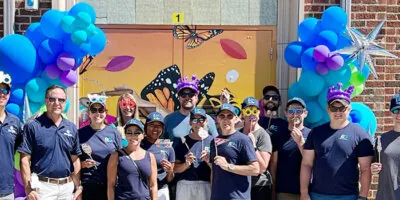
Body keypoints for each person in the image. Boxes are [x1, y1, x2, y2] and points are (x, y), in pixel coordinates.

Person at [300, 83, 373, 200]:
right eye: (334, 108)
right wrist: (304, 193)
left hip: (348, 196)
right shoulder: (315, 133)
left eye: (342, 108)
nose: (337, 112)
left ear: (349, 109)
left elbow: (365, 169)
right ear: (328, 109)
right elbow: (306, 164)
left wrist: (363, 196)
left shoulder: (360, 135)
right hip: (318, 195)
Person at [18, 85, 82, 200]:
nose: (57, 103)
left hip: (67, 188)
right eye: (52, 99)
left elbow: (75, 159)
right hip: (43, 188)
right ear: (45, 101)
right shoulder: (32, 126)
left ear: (65, 102)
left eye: (61, 100)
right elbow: (24, 159)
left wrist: (78, 186)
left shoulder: (71, 128)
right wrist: (28, 188)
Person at [210, 103, 260, 200]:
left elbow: (255, 170)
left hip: (237, 197)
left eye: (229, 116)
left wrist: (228, 166)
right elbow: (214, 171)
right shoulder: (214, 141)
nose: (226, 119)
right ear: (217, 119)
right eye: (222, 116)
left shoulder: (243, 140)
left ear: (236, 119)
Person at [78, 94, 122, 200]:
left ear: (106, 112)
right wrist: (82, 164)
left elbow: (121, 158)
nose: (97, 113)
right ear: (89, 113)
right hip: (89, 184)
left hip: (110, 184)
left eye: (101, 110)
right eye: (93, 110)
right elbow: (72, 160)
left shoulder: (114, 132)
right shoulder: (80, 134)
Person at [270, 97, 311, 200]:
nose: (295, 114)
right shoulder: (278, 135)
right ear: (286, 113)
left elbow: (314, 162)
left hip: (309, 192)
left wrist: (301, 142)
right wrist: (273, 191)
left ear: (305, 113)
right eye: (291, 111)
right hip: (284, 192)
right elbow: (273, 166)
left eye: (299, 111)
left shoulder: (312, 135)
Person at [107, 119, 158, 200]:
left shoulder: (150, 157)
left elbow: (153, 185)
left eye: (137, 132)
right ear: (125, 135)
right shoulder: (116, 156)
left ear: (143, 135)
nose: (133, 135)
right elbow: (111, 184)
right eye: (129, 132)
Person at [173, 107, 213, 200]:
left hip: (206, 185)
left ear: (206, 121)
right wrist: (185, 164)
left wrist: (209, 162)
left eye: (201, 120)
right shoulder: (182, 141)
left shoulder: (213, 142)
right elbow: (174, 169)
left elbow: (219, 170)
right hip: (185, 186)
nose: (198, 123)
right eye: (195, 120)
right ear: (190, 123)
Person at [163, 75, 218, 141]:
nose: (187, 97)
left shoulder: (208, 119)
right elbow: (161, 145)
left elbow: (216, 144)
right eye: (183, 94)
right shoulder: (169, 119)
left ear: (196, 97)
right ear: (179, 98)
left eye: (191, 94)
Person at [239, 97, 272, 200]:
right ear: (243, 114)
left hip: (259, 186)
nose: (252, 115)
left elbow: (262, 168)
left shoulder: (263, 135)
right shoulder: (238, 134)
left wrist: (253, 146)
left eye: (255, 111)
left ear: (259, 113)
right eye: (248, 111)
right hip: (241, 184)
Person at [371, 93, 400, 200]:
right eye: (396, 111)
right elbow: (373, 165)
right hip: (385, 196)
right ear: (391, 113)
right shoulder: (380, 140)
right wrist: (373, 169)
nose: (398, 115)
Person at [141, 112, 175, 200]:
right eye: (152, 125)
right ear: (146, 127)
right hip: (142, 191)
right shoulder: (138, 145)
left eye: (159, 125)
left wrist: (170, 171)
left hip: (161, 191)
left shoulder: (168, 147)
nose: (155, 128)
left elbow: (169, 179)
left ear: (163, 128)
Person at [0, 72, 22, 200]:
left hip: (6, 190)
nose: (2, 93)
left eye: (5, 90)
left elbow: (20, 150)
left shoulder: (15, 122)